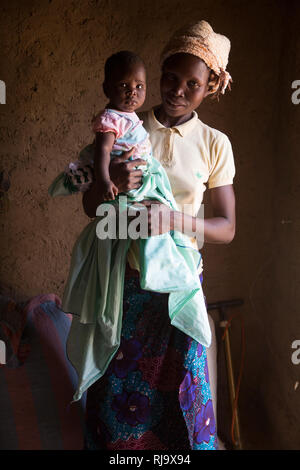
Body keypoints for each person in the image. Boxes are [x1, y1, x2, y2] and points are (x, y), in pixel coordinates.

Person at [75, 20, 236, 450]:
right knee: (119, 398)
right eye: (170, 76)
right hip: (127, 286)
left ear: (210, 88)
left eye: (193, 84)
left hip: (181, 284)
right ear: (158, 73)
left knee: (183, 395)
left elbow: (226, 228)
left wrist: (173, 220)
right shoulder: (126, 126)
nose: (178, 90)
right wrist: (113, 181)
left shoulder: (214, 144)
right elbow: (92, 207)